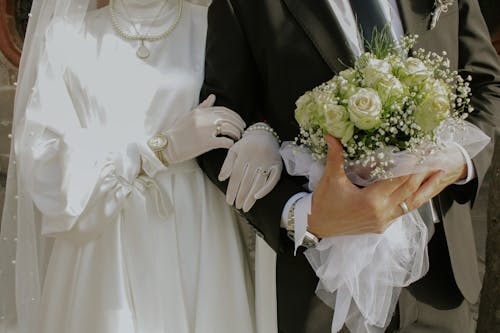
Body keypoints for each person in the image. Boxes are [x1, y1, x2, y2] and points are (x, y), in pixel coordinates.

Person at [199, 0, 500, 332]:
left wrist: (460, 159)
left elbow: (487, 82)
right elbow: (218, 129)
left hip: (439, 278)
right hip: (324, 289)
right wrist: (301, 213)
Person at [0, 0, 283, 332]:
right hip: (104, 243)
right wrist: (158, 149)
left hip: (198, 231)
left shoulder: (212, 25)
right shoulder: (67, 36)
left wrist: (264, 134)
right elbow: (46, 164)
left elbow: (259, 102)